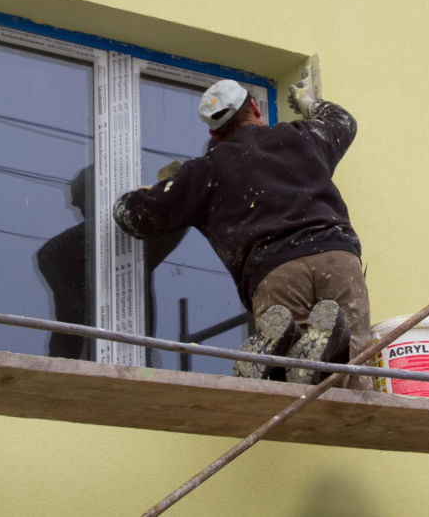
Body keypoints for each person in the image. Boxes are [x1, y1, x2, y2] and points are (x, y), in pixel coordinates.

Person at [112, 77, 372, 389]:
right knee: (355, 365)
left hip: (275, 269)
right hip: (336, 255)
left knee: (294, 376)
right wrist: (309, 103)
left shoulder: (204, 171)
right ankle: (333, 348)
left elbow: (135, 215)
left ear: (212, 132)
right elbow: (342, 121)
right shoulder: (302, 137)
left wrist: (155, 190)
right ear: (253, 107)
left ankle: (284, 343)